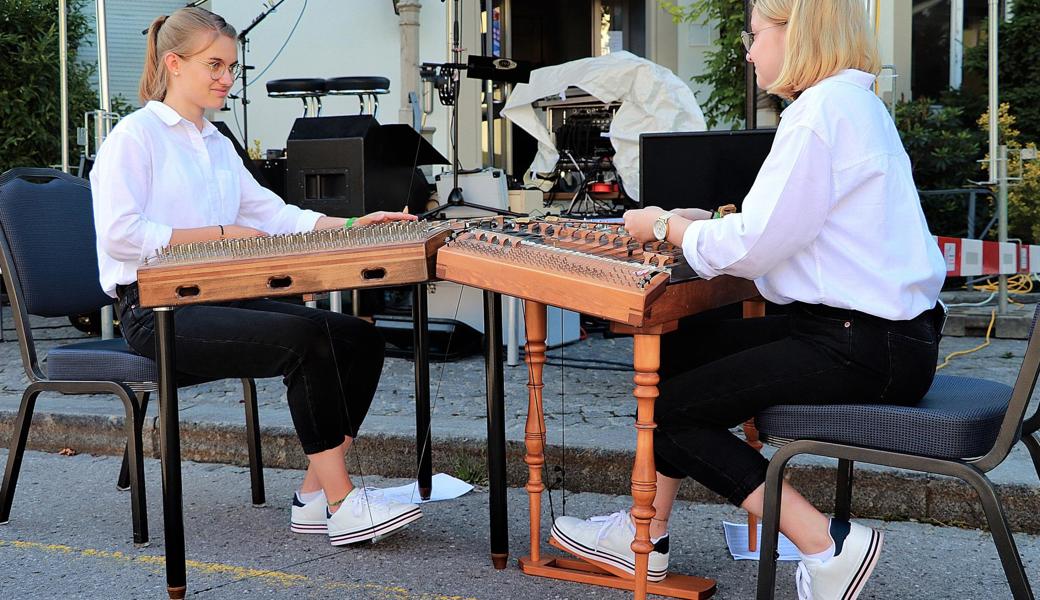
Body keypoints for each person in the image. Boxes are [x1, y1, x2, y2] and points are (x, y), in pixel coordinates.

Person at [550, 1, 946, 598]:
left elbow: (755, 248)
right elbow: (791, 228)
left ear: (799, 33)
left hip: (863, 344)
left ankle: (828, 544)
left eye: (756, 34)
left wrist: (663, 226)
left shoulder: (819, 113)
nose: (748, 49)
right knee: (682, 354)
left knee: (674, 413)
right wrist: (704, 222)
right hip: (876, 336)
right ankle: (644, 537)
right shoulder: (850, 103)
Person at [91, 7, 423, 547]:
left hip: (217, 296)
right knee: (306, 339)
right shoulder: (136, 136)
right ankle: (342, 504)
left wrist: (354, 225)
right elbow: (120, 236)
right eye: (214, 65)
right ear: (174, 64)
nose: (227, 78)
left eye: (232, 67)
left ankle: (315, 495)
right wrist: (219, 233)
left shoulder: (215, 142)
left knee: (360, 337)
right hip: (153, 308)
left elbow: (274, 216)